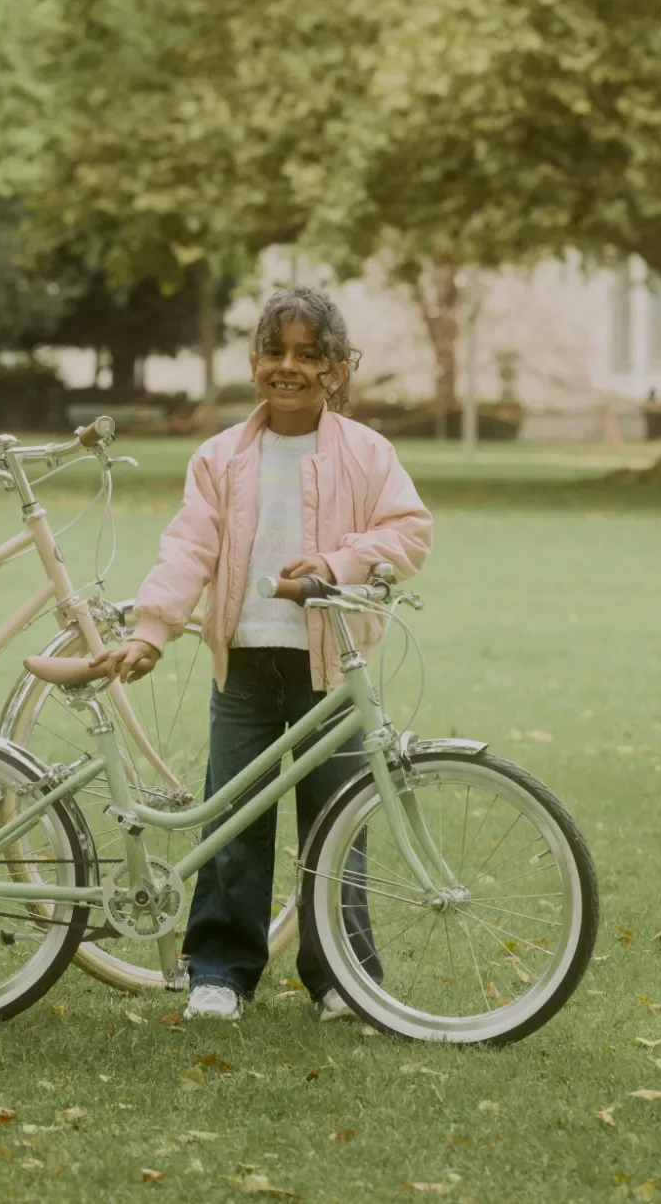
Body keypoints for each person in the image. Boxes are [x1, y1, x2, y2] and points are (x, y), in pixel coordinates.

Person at [93, 287, 433, 1023]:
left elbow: (408, 533)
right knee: (234, 824)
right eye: (275, 353)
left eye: (309, 356)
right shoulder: (220, 458)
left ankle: (342, 977)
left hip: (331, 672)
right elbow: (188, 547)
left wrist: (338, 564)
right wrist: (153, 627)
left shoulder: (368, 454)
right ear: (253, 364)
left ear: (338, 369)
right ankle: (219, 971)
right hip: (244, 667)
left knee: (336, 827)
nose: (290, 368)